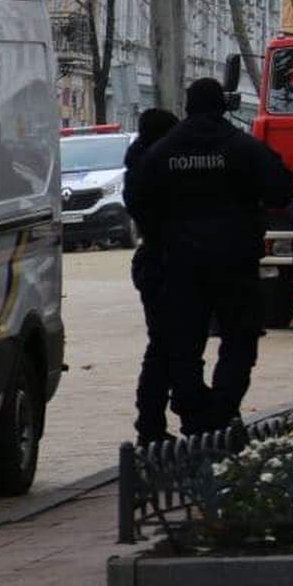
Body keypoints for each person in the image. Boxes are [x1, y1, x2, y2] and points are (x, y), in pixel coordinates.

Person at [127, 78, 293, 434]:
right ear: (222, 106)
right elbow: (281, 188)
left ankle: (192, 412)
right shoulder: (241, 147)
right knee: (239, 338)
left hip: (180, 265)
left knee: (184, 344)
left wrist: (165, 235)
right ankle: (221, 411)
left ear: (188, 106)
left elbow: (139, 201)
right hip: (235, 262)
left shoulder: (164, 151)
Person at [124, 107, 180, 444]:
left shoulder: (136, 164)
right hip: (166, 263)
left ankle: (151, 422)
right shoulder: (157, 165)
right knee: (169, 345)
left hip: (151, 263)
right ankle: (153, 423)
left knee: (161, 344)